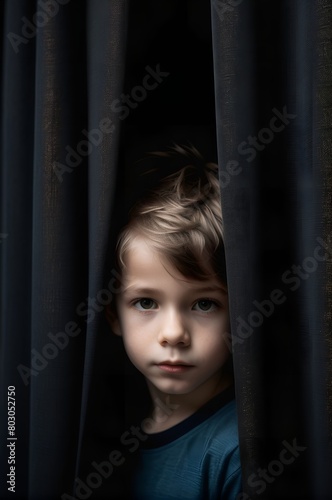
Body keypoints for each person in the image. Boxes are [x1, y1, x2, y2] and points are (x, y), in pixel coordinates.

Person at [107, 144, 241, 499]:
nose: (174, 334)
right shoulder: (102, 431)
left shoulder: (236, 452)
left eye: (204, 304)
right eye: (146, 302)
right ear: (113, 313)